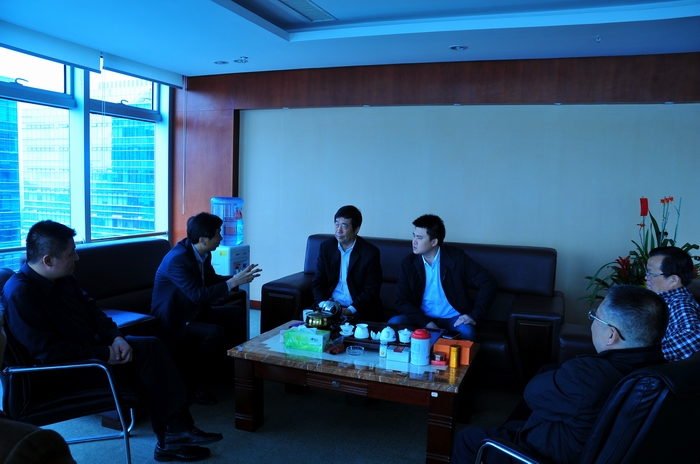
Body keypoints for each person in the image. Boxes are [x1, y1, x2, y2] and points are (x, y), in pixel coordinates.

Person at [2, 220, 222, 462]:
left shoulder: (62, 277)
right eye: (71, 253)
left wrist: (116, 338)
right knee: (147, 367)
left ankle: (176, 431)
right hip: (60, 373)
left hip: (90, 354)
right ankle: (173, 436)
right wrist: (106, 354)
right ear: (48, 260)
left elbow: (94, 311)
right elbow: (49, 353)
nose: (77, 257)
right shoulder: (21, 294)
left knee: (150, 346)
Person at [452, 284, 668, 463]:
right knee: (546, 374)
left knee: (468, 438)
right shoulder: (660, 370)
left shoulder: (588, 376)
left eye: (595, 317)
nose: (592, 323)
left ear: (611, 335)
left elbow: (532, 394)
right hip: (581, 446)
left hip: (541, 453)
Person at [151, 212, 262, 405]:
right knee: (214, 332)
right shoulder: (178, 259)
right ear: (203, 239)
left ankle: (231, 370)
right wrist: (233, 282)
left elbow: (211, 280)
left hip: (193, 312)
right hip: (175, 319)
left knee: (236, 314)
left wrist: (236, 279)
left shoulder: (203, 253)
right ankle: (194, 384)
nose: (221, 238)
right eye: (218, 234)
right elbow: (197, 294)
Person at [391, 214, 497, 340]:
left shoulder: (457, 258)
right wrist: (426, 322)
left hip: (453, 318)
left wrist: (475, 315)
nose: (414, 241)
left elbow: (488, 282)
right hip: (421, 318)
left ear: (434, 242)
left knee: (467, 332)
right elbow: (401, 301)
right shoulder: (408, 263)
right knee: (394, 324)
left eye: (419, 237)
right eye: (414, 236)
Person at [311, 205, 384, 321]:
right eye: (336, 224)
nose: (338, 230)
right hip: (329, 306)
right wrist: (324, 306)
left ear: (356, 229)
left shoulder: (370, 253)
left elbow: (371, 289)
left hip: (359, 308)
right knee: (303, 321)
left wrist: (350, 310)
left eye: (344, 226)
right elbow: (318, 282)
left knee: (352, 325)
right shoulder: (326, 248)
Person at [645, 246, 700, 361]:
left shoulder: (679, 303)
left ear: (674, 280)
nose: (646, 277)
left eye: (651, 274)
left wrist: (649, 354)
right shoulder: (664, 300)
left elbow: (695, 336)